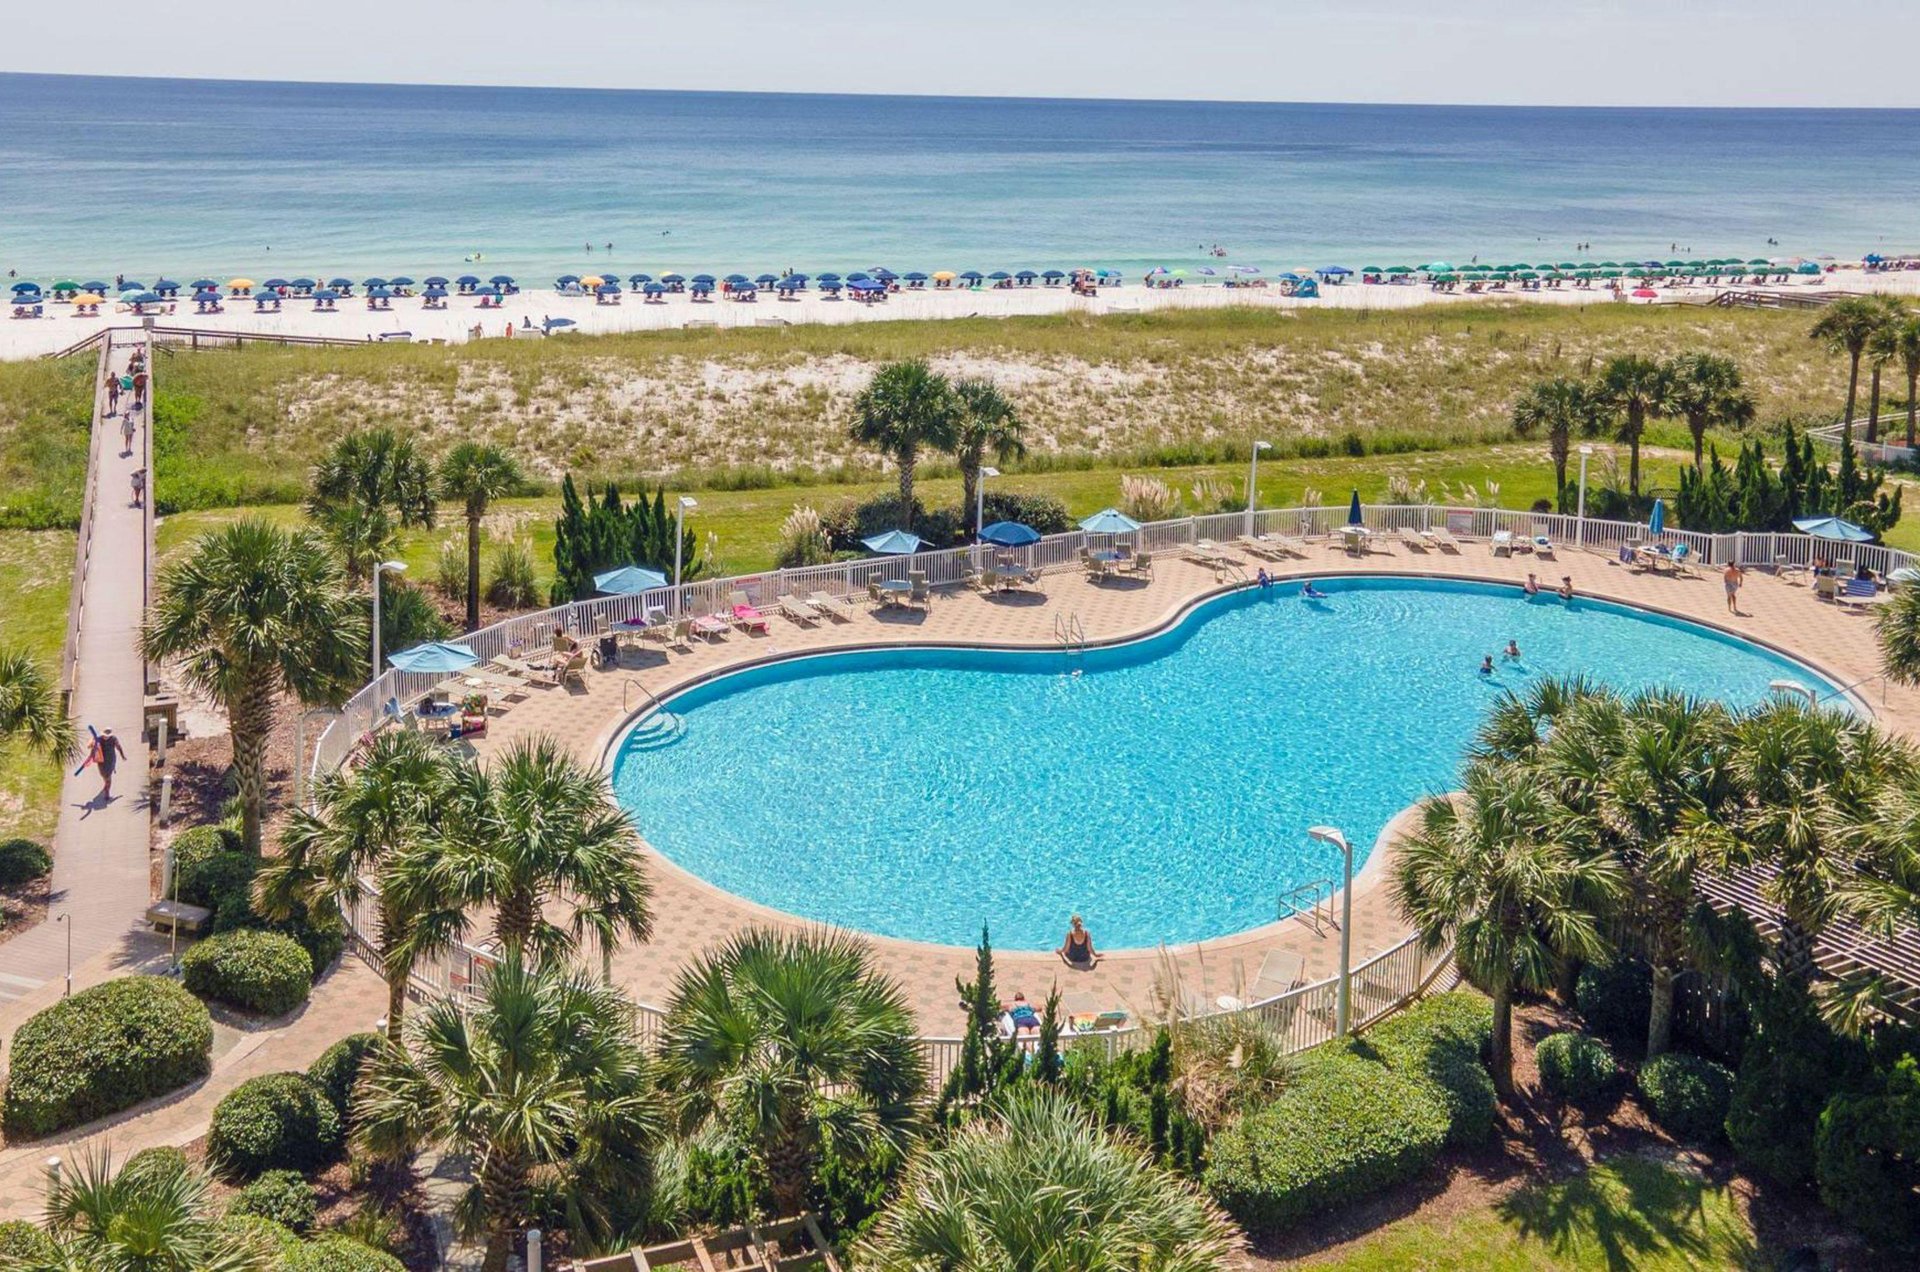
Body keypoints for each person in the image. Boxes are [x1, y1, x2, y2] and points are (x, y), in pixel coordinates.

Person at [89, 727, 129, 801]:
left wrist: (122, 755)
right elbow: (91, 745)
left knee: (108, 775)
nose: (106, 737)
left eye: (107, 736)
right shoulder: (99, 739)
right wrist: (92, 744)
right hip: (101, 760)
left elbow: (118, 746)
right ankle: (106, 784)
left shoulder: (113, 739)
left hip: (110, 760)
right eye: (104, 735)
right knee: (103, 774)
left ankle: (107, 792)